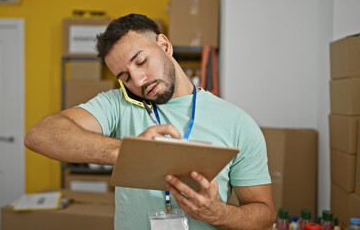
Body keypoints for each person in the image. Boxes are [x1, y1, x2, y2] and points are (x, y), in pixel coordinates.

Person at [25, 13, 275, 230]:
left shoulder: (238, 122)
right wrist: (129, 151)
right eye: (125, 77)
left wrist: (218, 213)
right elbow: (40, 135)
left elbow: (264, 218)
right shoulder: (117, 104)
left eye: (141, 61)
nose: (138, 81)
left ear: (164, 45)